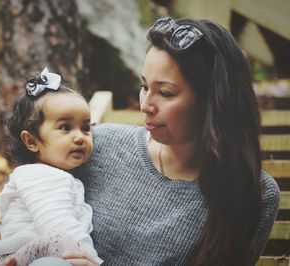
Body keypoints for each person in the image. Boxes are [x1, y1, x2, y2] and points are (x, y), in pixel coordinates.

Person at [61, 17, 280, 265]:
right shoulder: (97, 145)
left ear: (213, 100)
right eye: (144, 86)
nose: (145, 105)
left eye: (165, 93)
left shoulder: (252, 193)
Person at [0, 67, 103, 265]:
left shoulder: (53, 175)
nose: (79, 137)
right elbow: (59, 225)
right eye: (65, 127)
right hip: (24, 257)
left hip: (41, 255)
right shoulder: (39, 175)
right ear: (31, 141)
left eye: (85, 128)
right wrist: (92, 261)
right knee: (61, 243)